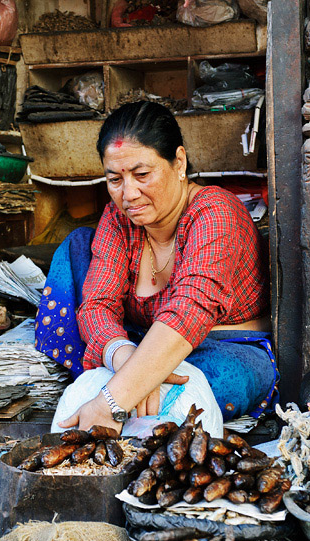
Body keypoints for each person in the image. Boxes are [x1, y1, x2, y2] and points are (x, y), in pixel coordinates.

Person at [35, 101, 276, 433]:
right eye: (114, 179)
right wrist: (125, 358)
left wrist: (112, 400)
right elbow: (97, 305)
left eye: (142, 174)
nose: (129, 193)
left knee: (201, 388)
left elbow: (191, 309)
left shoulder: (215, 211)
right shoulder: (120, 218)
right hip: (137, 342)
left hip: (225, 348)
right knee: (76, 245)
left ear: (179, 162)